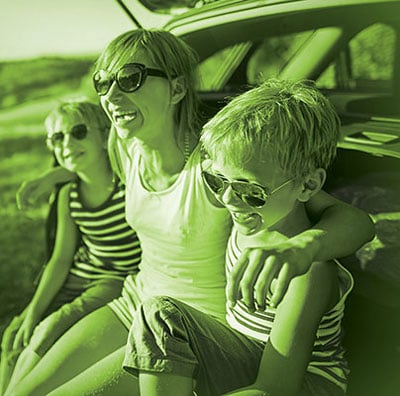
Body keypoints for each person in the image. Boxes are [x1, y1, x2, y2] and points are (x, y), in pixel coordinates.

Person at [7, 30, 373, 396]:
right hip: (138, 296)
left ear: (178, 88)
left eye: (130, 78)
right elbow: (84, 158)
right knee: (23, 388)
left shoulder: (219, 166)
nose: (111, 96)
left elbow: (351, 221)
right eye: (102, 82)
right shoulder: (124, 144)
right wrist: (53, 175)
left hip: (191, 323)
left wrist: (307, 247)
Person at [125, 79, 353, 396]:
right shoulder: (251, 218)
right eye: (217, 181)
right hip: (244, 357)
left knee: (161, 316)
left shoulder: (308, 272)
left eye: (251, 191)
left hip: (304, 385)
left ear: (308, 186)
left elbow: (274, 388)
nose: (229, 199)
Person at [0, 101, 141, 395]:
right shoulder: (68, 196)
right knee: (16, 334)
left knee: (52, 326)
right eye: (57, 138)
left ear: (104, 136)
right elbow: (61, 260)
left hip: (114, 280)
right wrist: (31, 311)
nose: (67, 143)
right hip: (78, 274)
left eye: (78, 132)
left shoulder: (127, 183)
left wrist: (52, 175)